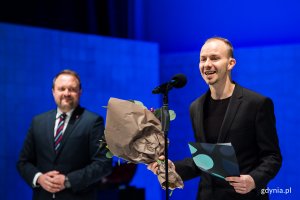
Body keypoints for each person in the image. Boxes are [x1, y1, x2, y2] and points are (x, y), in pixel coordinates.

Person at [148, 37, 282, 200]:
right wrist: (173, 168)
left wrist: (254, 180)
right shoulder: (195, 107)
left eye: (215, 58)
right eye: (203, 59)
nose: (207, 64)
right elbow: (205, 161)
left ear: (231, 63)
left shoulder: (257, 103)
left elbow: (272, 157)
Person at [17, 69, 112, 200]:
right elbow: (23, 162)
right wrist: (39, 178)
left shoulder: (93, 121)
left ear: (80, 92)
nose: (66, 93)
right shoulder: (38, 121)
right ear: (53, 92)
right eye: (61, 88)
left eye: (72, 89)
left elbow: (104, 164)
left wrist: (68, 180)